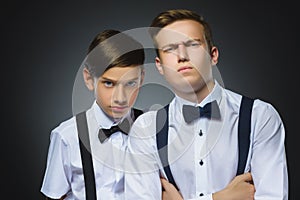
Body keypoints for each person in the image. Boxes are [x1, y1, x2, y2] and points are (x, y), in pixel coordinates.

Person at [125, 9, 288, 200]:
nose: (182, 56)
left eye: (192, 44)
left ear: (213, 55)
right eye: (170, 49)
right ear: (159, 66)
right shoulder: (146, 130)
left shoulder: (260, 116)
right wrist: (220, 198)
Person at [40, 29, 145, 199]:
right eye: (109, 83)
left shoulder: (153, 129)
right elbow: (54, 196)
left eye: (130, 83)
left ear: (141, 79)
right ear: (89, 79)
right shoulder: (67, 136)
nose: (120, 98)